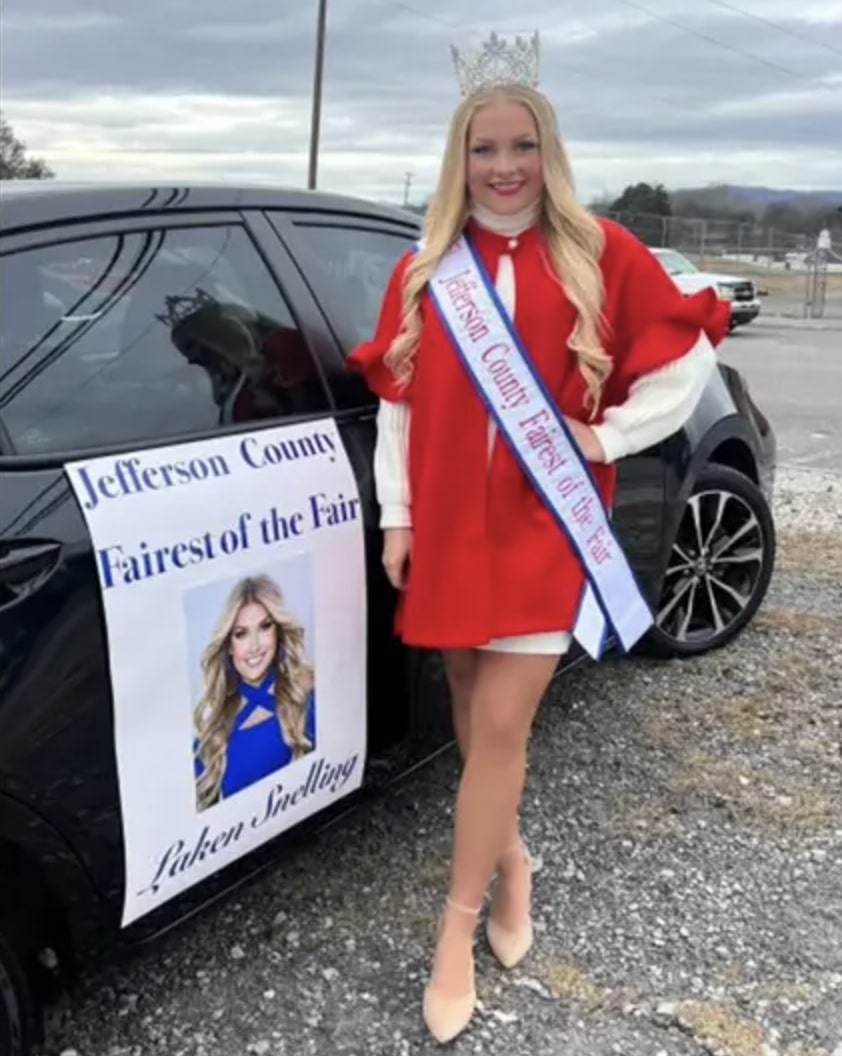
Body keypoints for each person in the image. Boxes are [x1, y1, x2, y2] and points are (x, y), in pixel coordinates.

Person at [347, 30, 729, 1045]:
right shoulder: (427, 268)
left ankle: (454, 927)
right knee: (474, 721)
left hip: (542, 529)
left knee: (502, 731)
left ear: (545, 152)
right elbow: (394, 406)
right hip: (449, 531)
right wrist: (398, 519)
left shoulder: (599, 252)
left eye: (520, 145)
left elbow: (685, 359)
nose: (504, 166)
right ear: (458, 158)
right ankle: (511, 858)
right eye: (484, 149)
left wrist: (602, 432)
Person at [193, 574, 316, 812]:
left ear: (279, 631)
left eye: (265, 627)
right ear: (228, 644)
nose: (254, 646)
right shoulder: (210, 730)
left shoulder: (310, 688)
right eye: (241, 634)